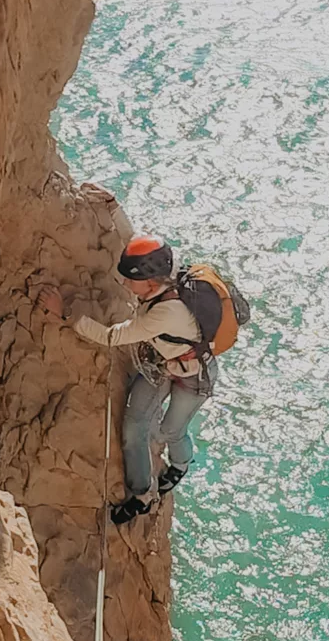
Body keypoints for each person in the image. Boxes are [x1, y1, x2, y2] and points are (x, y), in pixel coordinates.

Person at [38, 210, 217, 525]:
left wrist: (64, 315)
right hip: (163, 363)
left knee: (168, 430)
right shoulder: (163, 285)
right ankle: (141, 495)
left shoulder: (166, 313)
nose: (122, 282)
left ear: (148, 282)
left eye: (129, 278)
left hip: (193, 375)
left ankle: (181, 463)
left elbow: (112, 337)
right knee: (134, 427)